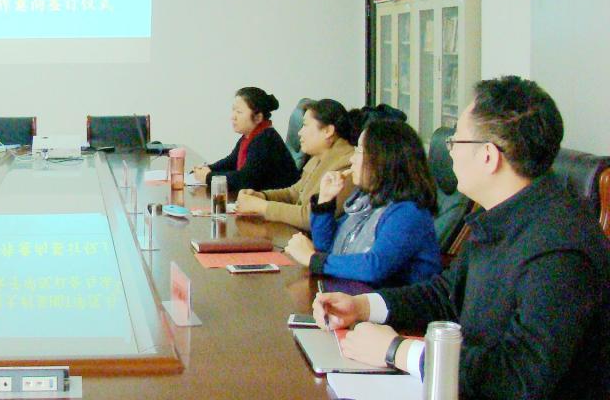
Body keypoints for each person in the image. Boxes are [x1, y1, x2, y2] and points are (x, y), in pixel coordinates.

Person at [313, 77, 610, 399]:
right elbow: (447, 293)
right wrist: (362, 306)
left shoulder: (560, 247)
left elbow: (519, 376)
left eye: (456, 141)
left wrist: (397, 350)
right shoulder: (504, 216)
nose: (450, 152)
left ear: (487, 156)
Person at [284, 119, 441, 286]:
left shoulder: (409, 212)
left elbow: (374, 267)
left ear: (384, 159)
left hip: (388, 300)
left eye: (359, 151)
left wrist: (313, 259)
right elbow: (327, 247)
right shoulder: (366, 199)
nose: (353, 159)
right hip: (352, 293)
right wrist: (325, 203)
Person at [235, 99, 355, 230]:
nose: (299, 132)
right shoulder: (319, 156)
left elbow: (311, 217)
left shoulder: (347, 165)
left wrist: (261, 207)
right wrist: (262, 196)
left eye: (305, 125)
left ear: (328, 131)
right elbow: (295, 193)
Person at [190, 88, 299, 192]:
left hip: (279, 201)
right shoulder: (250, 136)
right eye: (233, 110)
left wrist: (209, 177)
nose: (233, 117)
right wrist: (207, 169)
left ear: (258, 117)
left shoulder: (266, 139)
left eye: (239, 112)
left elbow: (246, 179)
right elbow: (231, 162)